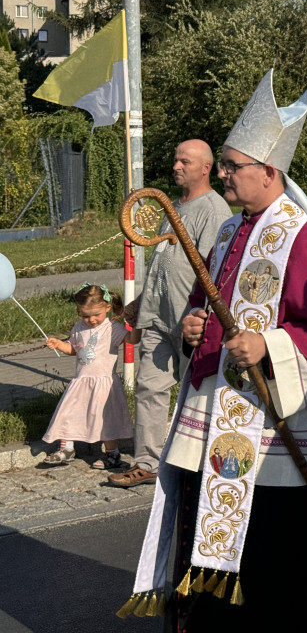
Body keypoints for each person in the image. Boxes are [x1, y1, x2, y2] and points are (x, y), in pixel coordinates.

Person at [121, 69, 307, 630]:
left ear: (270, 171)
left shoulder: (301, 239)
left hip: (269, 442)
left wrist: (272, 344)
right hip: (215, 423)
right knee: (210, 565)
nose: (227, 175)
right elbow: (207, 305)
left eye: (234, 167)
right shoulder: (231, 231)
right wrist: (196, 325)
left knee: (271, 575)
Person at [109, 140, 231, 488]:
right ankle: (147, 462)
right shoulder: (172, 206)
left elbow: (215, 269)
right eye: (176, 159)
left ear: (205, 167)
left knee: (202, 391)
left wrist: (203, 318)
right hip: (159, 316)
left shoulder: (214, 209)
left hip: (192, 319)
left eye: (185, 161)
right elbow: (165, 259)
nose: (176, 165)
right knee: (149, 387)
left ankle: (208, 459)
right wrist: (141, 303)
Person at [41, 283, 141, 469]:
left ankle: (112, 454)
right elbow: (74, 349)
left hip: (104, 384)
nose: (92, 320)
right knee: (68, 413)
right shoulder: (78, 328)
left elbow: (132, 340)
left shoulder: (112, 328)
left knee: (106, 419)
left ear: (107, 308)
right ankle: (66, 448)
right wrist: (59, 344)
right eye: (86, 316)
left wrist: (137, 325)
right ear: (79, 312)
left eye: (97, 314)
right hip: (81, 382)